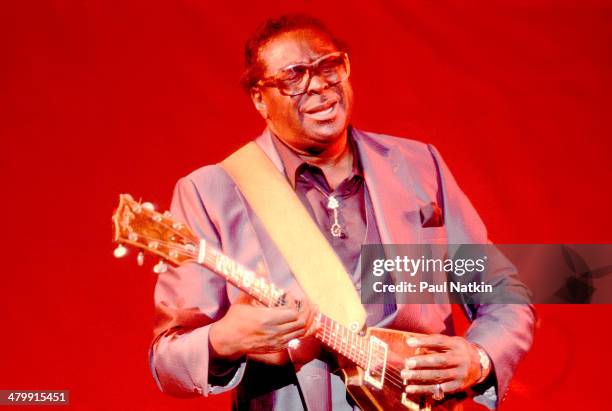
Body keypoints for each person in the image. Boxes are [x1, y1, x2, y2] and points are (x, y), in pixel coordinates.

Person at [149, 14, 534, 411]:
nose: (317, 85)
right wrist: (225, 339)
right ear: (260, 99)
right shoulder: (211, 192)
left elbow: (504, 293)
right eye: (293, 76)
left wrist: (479, 358)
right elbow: (167, 359)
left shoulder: (419, 165)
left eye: (328, 66)